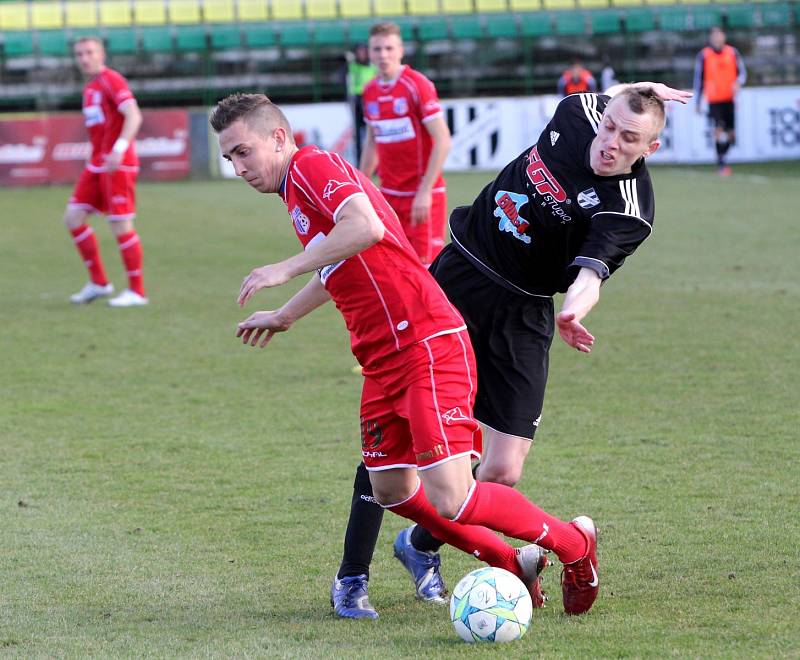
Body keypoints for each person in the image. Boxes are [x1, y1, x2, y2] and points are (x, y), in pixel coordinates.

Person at [210, 92, 603, 622]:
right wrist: (285, 315)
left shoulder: (311, 166)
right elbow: (343, 259)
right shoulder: (296, 190)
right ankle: (511, 561)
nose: (237, 168)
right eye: (230, 158)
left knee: (452, 498)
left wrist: (286, 267)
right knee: (391, 488)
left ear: (278, 137)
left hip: (424, 343)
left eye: (242, 152)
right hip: (382, 359)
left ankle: (574, 547)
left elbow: (365, 227)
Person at [333, 82, 693, 617]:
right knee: (398, 426)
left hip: (523, 312)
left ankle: (420, 547)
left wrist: (574, 311)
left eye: (628, 137)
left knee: (503, 468)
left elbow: (592, 272)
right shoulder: (578, 114)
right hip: (457, 278)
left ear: (650, 149)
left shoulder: (628, 210)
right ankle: (352, 577)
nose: (610, 141)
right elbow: (604, 96)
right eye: (609, 126)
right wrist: (640, 90)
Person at [64, 36, 148, 307]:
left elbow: (134, 115)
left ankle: (137, 292)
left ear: (101, 54)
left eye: (89, 52)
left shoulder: (112, 79)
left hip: (117, 163)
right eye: (79, 54)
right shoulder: (90, 88)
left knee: (120, 224)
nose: (84, 58)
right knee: (73, 217)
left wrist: (120, 148)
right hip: (97, 163)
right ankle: (99, 282)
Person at [360, 22, 451, 267]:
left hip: (421, 195)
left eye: (389, 48)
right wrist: (361, 185)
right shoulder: (369, 91)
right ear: (369, 53)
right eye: (377, 49)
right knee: (395, 267)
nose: (383, 55)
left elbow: (442, 140)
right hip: (388, 195)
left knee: (428, 271)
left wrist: (424, 191)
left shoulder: (417, 85)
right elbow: (372, 142)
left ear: (401, 50)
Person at [693, 27, 746, 176]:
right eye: (714, 36)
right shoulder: (704, 55)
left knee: (731, 134)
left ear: (724, 37)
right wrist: (697, 102)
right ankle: (721, 163)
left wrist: (738, 82)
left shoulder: (732, 52)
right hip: (714, 99)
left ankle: (723, 157)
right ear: (711, 38)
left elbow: (742, 73)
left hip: (729, 98)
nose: (717, 39)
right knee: (718, 130)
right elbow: (699, 79)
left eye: (719, 36)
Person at [345, 43, 376, 165]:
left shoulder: (372, 66)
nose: (361, 54)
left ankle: (375, 165)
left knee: (373, 132)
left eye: (363, 51)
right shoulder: (353, 66)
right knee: (358, 136)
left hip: (370, 100)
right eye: (359, 51)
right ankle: (360, 163)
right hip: (357, 100)